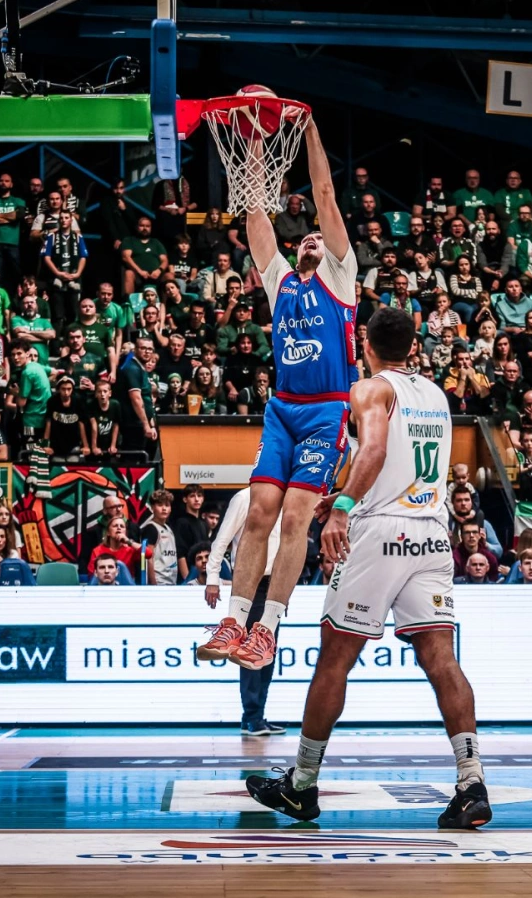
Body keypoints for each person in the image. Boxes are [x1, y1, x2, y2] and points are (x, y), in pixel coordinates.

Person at [244, 307, 491, 829]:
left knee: (335, 658)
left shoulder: (370, 389)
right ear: (414, 344)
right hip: (431, 531)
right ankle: (471, 781)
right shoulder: (436, 394)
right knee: (441, 659)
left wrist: (342, 507)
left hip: (381, 531)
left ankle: (301, 785)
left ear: (365, 344)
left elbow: (375, 449)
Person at [197, 114, 359, 672]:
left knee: (294, 517)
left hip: (327, 411)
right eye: (305, 237)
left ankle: (267, 628)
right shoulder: (280, 279)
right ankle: (233, 622)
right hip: (283, 411)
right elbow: (254, 210)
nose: (313, 237)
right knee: (258, 512)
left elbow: (324, 194)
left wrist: (308, 128)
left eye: (319, 236)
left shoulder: (341, 276)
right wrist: (254, 135)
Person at [205, 486, 286, 736]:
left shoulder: (286, 500)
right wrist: (212, 578)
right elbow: (222, 540)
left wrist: (284, 590)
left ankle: (255, 716)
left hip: (275, 583)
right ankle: (252, 717)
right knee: (252, 652)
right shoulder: (244, 498)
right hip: (251, 582)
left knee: (267, 653)